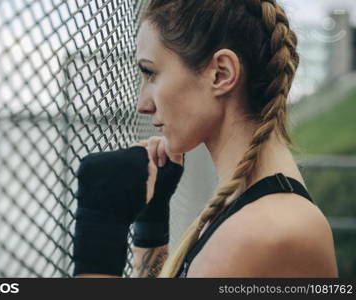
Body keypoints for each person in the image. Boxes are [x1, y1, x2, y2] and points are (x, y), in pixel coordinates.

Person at [72, 0, 338, 278]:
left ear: (221, 73)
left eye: (150, 72)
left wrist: (99, 232)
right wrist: (152, 224)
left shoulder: (263, 231)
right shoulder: (252, 207)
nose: (142, 105)